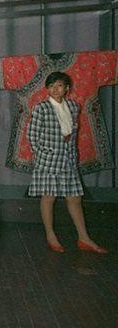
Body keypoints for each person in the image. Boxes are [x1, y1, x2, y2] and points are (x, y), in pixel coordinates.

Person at [28, 71, 107, 254]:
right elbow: (32, 136)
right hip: (48, 160)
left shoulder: (73, 106)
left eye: (60, 85)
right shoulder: (42, 108)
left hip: (68, 159)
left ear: (67, 89)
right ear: (47, 89)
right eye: (52, 86)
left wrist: (72, 154)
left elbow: (72, 134)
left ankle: (84, 238)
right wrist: (43, 155)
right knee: (49, 197)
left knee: (75, 198)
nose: (56, 89)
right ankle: (51, 235)